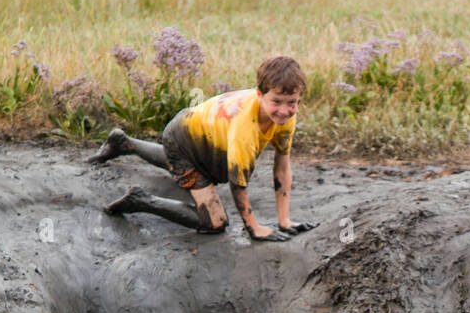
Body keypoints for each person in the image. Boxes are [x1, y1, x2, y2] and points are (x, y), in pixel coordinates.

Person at [89, 54, 316, 241]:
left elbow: (282, 167)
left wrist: (284, 220)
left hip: (201, 137)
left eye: (292, 103)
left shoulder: (285, 118)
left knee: (202, 166)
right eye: (276, 101)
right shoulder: (245, 129)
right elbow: (238, 185)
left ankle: (123, 142)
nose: (284, 110)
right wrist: (254, 228)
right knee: (215, 222)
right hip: (182, 137)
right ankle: (139, 199)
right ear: (259, 94)